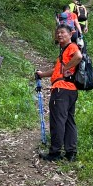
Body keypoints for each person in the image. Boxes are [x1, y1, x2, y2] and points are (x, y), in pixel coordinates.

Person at [35, 24, 82, 161]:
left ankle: (55, 152)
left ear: (70, 34)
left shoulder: (71, 47)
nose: (59, 35)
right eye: (58, 33)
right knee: (68, 121)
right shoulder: (64, 52)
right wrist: (42, 74)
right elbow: (56, 70)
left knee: (57, 121)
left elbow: (78, 56)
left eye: (62, 32)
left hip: (61, 89)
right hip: (70, 90)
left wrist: (65, 69)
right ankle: (70, 153)